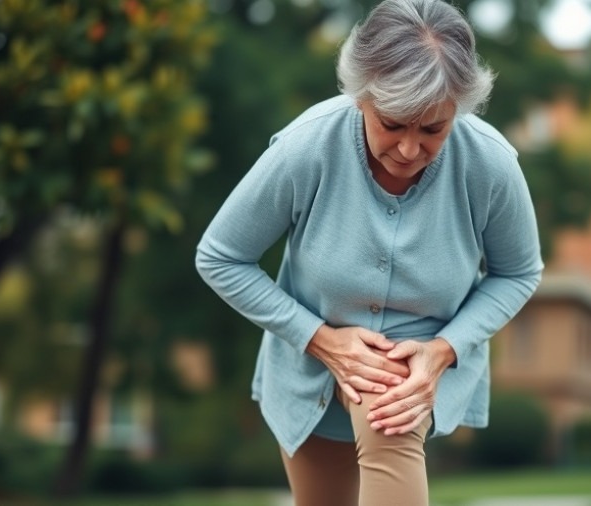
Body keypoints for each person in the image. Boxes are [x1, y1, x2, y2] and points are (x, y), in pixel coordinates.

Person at [195, 0, 543, 503]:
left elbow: (518, 272)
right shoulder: (307, 147)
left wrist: (443, 351)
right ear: (361, 97)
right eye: (393, 123)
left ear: (458, 111)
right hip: (308, 369)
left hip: (414, 365)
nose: (408, 149)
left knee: (389, 391)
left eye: (431, 130)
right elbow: (220, 256)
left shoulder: (489, 164)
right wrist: (321, 341)